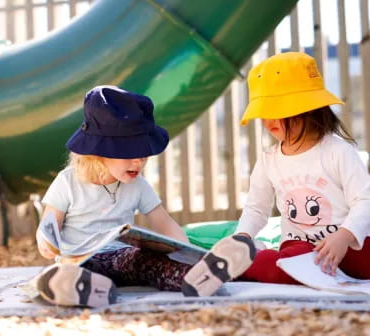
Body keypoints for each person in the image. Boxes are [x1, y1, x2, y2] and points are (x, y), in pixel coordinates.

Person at [34, 85, 195, 308]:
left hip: (122, 259)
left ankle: (195, 277)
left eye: (143, 154)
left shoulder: (138, 185)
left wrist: (188, 253)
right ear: (98, 154)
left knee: (147, 261)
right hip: (78, 260)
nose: (138, 162)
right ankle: (78, 287)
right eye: (129, 154)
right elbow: (49, 224)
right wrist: (46, 243)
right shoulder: (68, 181)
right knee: (69, 271)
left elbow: (163, 222)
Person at [226, 51, 370, 285]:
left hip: (350, 245)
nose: (268, 121)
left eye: (277, 111)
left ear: (308, 109)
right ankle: (251, 257)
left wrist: (344, 236)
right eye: (264, 113)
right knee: (285, 267)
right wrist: (242, 237)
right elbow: (256, 208)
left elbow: (365, 200)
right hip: (300, 249)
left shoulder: (338, 151)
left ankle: (256, 262)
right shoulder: (268, 160)